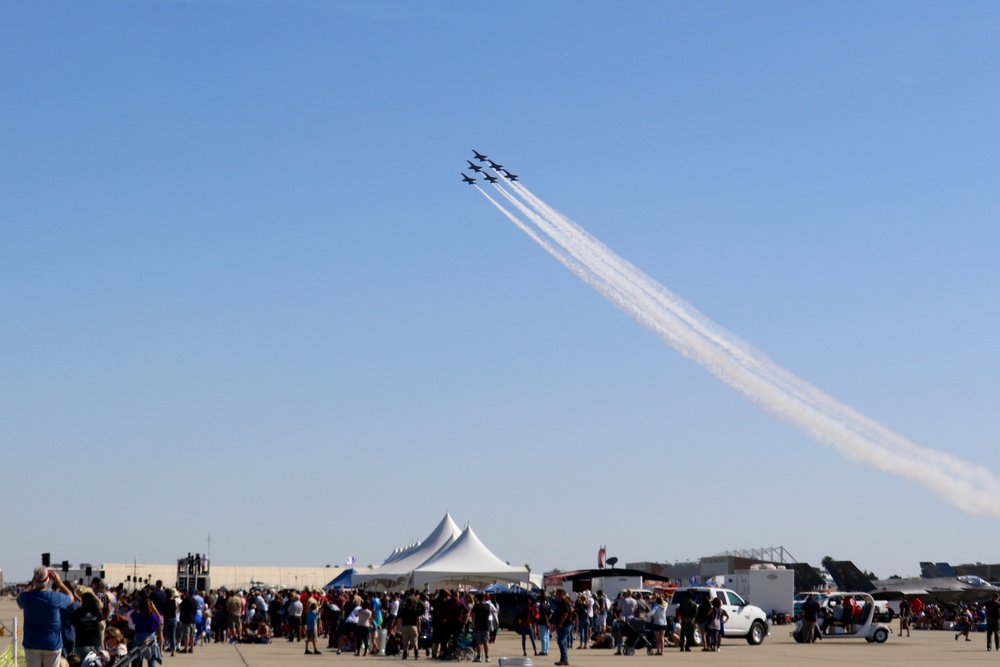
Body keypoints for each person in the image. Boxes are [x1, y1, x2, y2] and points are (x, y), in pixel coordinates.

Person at [18, 566, 74, 667]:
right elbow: (71, 598)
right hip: (52, 643)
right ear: (47, 581)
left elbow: (20, 598)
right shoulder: (55, 597)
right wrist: (59, 583)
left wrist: (31, 585)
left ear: (34, 580)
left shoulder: (27, 597)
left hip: (32, 642)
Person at [130, 597, 162, 667]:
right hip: (150, 639)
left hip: (139, 639)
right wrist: (155, 609)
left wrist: (136, 610)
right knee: (151, 660)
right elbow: (160, 620)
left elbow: (131, 616)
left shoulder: (138, 616)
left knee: (137, 660)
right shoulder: (154, 617)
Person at [398, 589, 423, 661]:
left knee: (405, 642)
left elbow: (400, 619)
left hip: (405, 626)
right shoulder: (415, 610)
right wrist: (419, 627)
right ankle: (416, 655)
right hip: (413, 626)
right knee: (415, 642)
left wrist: (397, 628)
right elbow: (418, 619)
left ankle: (404, 655)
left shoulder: (403, 610)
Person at [552, 589, 573, 666]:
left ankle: (564, 659)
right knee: (562, 642)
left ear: (562, 594)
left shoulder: (565, 602)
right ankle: (563, 659)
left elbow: (566, 613)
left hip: (564, 625)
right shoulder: (561, 602)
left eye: (558, 594)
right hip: (561, 625)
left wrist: (561, 623)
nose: (557, 595)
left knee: (561, 642)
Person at [470, 593, 491, 663]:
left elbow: (473, 616)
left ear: (478, 599)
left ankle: (478, 657)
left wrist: (473, 625)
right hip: (485, 625)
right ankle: (487, 657)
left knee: (478, 642)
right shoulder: (487, 606)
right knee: (485, 642)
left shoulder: (476, 606)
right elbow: (488, 615)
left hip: (478, 626)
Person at [536, 592, 551, 657]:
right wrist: (548, 620)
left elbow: (544, 615)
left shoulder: (541, 606)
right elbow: (550, 614)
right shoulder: (547, 605)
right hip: (547, 623)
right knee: (547, 637)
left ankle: (543, 651)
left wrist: (546, 621)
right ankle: (546, 650)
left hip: (543, 622)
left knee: (543, 637)